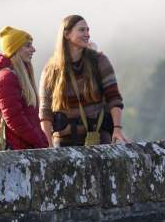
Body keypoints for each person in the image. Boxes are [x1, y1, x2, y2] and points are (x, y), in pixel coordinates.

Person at [40, 15, 129, 147]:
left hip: (98, 138)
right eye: (82, 30)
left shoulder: (99, 61)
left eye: (88, 30)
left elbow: (114, 98)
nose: (87, 34)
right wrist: (48, 144)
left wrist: (117, 129)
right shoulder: (51, 69)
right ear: (66, 34)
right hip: (64, 141)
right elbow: (45, 111)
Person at [0, 26, 49, 150]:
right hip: (15, 150)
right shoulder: (6, 77)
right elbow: (15, 119)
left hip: (24, 148)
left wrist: (43, 141)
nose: (33, 49)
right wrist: (39, 143)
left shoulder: (19, 75)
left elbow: (31, 119)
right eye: (28, 45)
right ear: (15, 49)